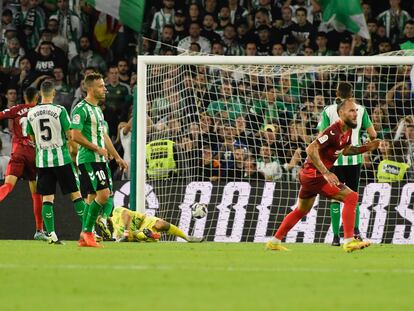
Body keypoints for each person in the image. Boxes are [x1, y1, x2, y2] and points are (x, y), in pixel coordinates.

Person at [266, 99, 380, 252]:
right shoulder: (333, 131)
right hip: (314, 175)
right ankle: (349, 240)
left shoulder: (349, 130)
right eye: (352, 111)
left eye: (356, 111)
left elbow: (346, 151)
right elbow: (310, 149)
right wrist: (326, 173)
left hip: (309, 175)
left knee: (301, 210)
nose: (356, 113)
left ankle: (274, 241)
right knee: (351, 197)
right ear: (341, 113)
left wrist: (366, 148)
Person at [71, 72, 128, 248]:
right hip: (89, 158)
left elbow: (103, 135)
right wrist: (96, 148)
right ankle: (87, 232)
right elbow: (75, 135)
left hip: (99, 159)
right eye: (101, 86)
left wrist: (117, 157)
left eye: (104, 85)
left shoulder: (97, 110)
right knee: (103, 195)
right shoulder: (81, 108)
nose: (105, 89)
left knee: (92, 197)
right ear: (90, 88)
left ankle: (85, 236)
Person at [26, 80, 86, 244]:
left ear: (39, 95)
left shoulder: (31, 113)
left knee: (47, 198)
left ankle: (52, 234)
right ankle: (88, 232)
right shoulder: (59, 110)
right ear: (53, 94)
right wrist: (73, 152)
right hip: (62, 159)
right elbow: (70, 135)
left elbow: (32, 138)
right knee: (76, 195)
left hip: (43, 162)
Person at [318, 82, 377, 246]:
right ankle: (355, 233)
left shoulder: (329, 110)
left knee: (335, 199)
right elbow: (373, 134)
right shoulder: (361, 110)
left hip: (334, 160)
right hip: (354, 160)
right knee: (353, 197)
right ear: (352, 93)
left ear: (337, 93)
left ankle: (336, 238)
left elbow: (321, 136)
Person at [0, 87, 46, 241]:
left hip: (18, 152)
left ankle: (40, 230)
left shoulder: (17, 109)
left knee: (8, 185)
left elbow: (1, 115)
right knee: (36, 193)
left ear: (24, 97)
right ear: (37, 97)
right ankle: (39, 230)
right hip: (34, 154)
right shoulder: (41, 110)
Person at [110, 206, 204, 243]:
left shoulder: (116, 211)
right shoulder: (116, 232)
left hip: (144, 221)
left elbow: (127, 214)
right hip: (132, 234)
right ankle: (149, 234)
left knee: (160, 224)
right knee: (140, 236)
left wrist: (126, 232)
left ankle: (186, 237)